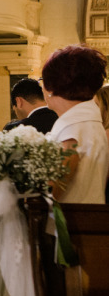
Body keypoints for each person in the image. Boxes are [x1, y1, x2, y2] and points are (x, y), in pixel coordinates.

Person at [42, 45, 109, 203]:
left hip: (70, 222)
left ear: (51, 86)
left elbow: (51, 192)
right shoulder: (87, 120)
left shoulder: (73, 129)